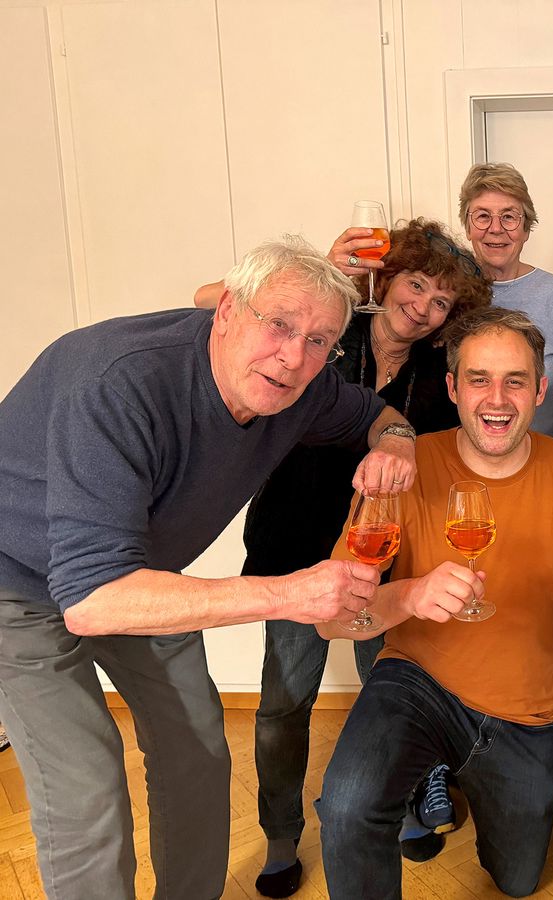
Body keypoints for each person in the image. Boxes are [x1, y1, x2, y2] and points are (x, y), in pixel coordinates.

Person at [0, 236, 419, 900]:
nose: (293, 356)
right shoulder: (120, 382)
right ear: (226, 309)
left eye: (318, 341)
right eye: (279, 325)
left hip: (135, 571)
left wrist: (397, 442)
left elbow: (374, 415)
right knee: (85, 787)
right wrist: (287, 594)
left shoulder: (304, 390)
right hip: (16, 581)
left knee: (198, 753)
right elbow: (92, 601)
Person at [197, 219, 491, 896]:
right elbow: (207, 300)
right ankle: (279, 837)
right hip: (293, 554)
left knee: (393, 697)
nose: (421, 306)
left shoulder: (436, 373)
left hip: (384, 561)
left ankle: (401, 803)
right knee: (280, 710)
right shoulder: (325, 329)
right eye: (415, 284)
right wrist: (310, 265)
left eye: (440, 300)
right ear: (387, 278)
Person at [316, 307, 553, 899]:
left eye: (515, 380)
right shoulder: (404, 468)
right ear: (452, 387)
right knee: (347, 807)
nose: (496, 398)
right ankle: (426, 764)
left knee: (518, 881)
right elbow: (330, 621)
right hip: (418, 681)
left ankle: (449, 775)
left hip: (529, 707)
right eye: (479, 379)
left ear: (541, 389)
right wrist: (409, 595)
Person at [458, 162, 553, 437]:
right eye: (483, 216)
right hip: (462, 458)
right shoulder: (447, 292)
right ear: (467, 227)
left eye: (509, 217)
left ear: (526, 229)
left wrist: (521, 423)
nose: (496, 229)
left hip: (541, 454)